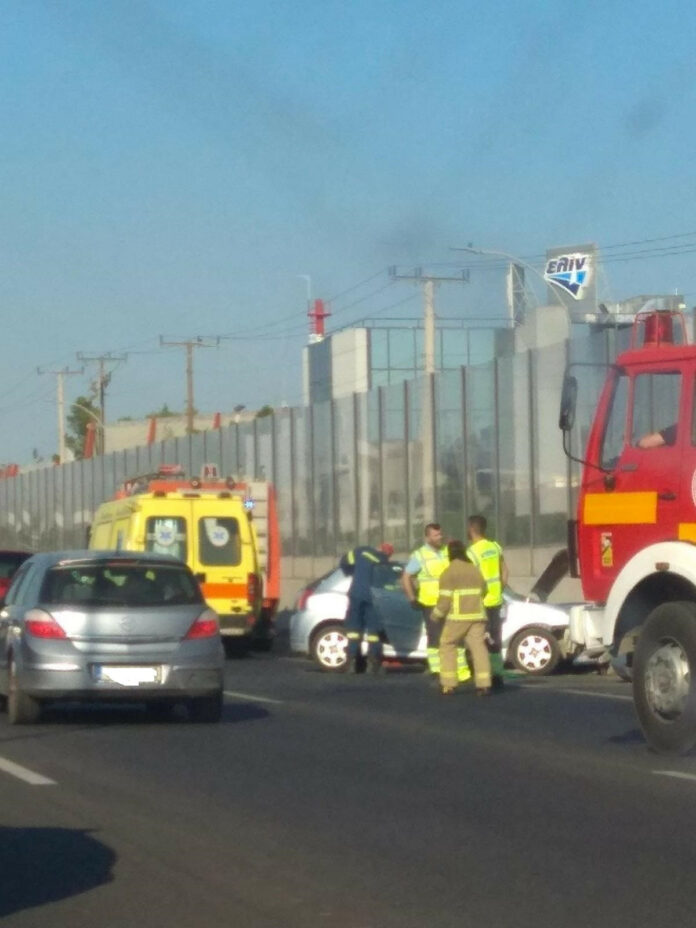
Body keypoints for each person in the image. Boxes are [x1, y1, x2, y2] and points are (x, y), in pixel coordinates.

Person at [402, 524, 470, 683]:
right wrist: (412, 598)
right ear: (427, 538)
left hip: (450, 601)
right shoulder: (420, 555)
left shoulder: (447, 552)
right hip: (431, 603)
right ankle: (437, 670)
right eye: (436, 535)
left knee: (457, 636)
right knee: (435, 638)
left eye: (440, 534)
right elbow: (406, 577)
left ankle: (461, 671)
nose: (440, 537)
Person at [431, 540, 491, 696]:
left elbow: (444, 601)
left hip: (458, 617)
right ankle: (484, 684)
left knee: (447, 644)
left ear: (450, 554)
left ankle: (449, 684)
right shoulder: (475, 570)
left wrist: (436, 616)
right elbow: (484, 591)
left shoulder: (449, 572)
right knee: (478, 647)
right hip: (478, 615)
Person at [466, 515, 508, 690]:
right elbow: (505, 572)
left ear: (471, 529)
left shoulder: (472, 552)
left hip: (480, 603)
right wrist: (499, 589)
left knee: (479, 640)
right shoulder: (495, 546)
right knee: (495, 640)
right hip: (496, 601)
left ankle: (483, 676)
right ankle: (498, 675)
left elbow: (472, 580)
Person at [340, 542, 394, 674]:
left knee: (353, 629)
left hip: (356, 594)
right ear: (389, 554)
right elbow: (388, 585)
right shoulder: (385, 563)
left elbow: (344, 561)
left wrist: (351, 572)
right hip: (373, 598)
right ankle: (373, 664)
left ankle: (351, 663)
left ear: (379, 547)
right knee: (373, 632)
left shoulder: (362, 551)